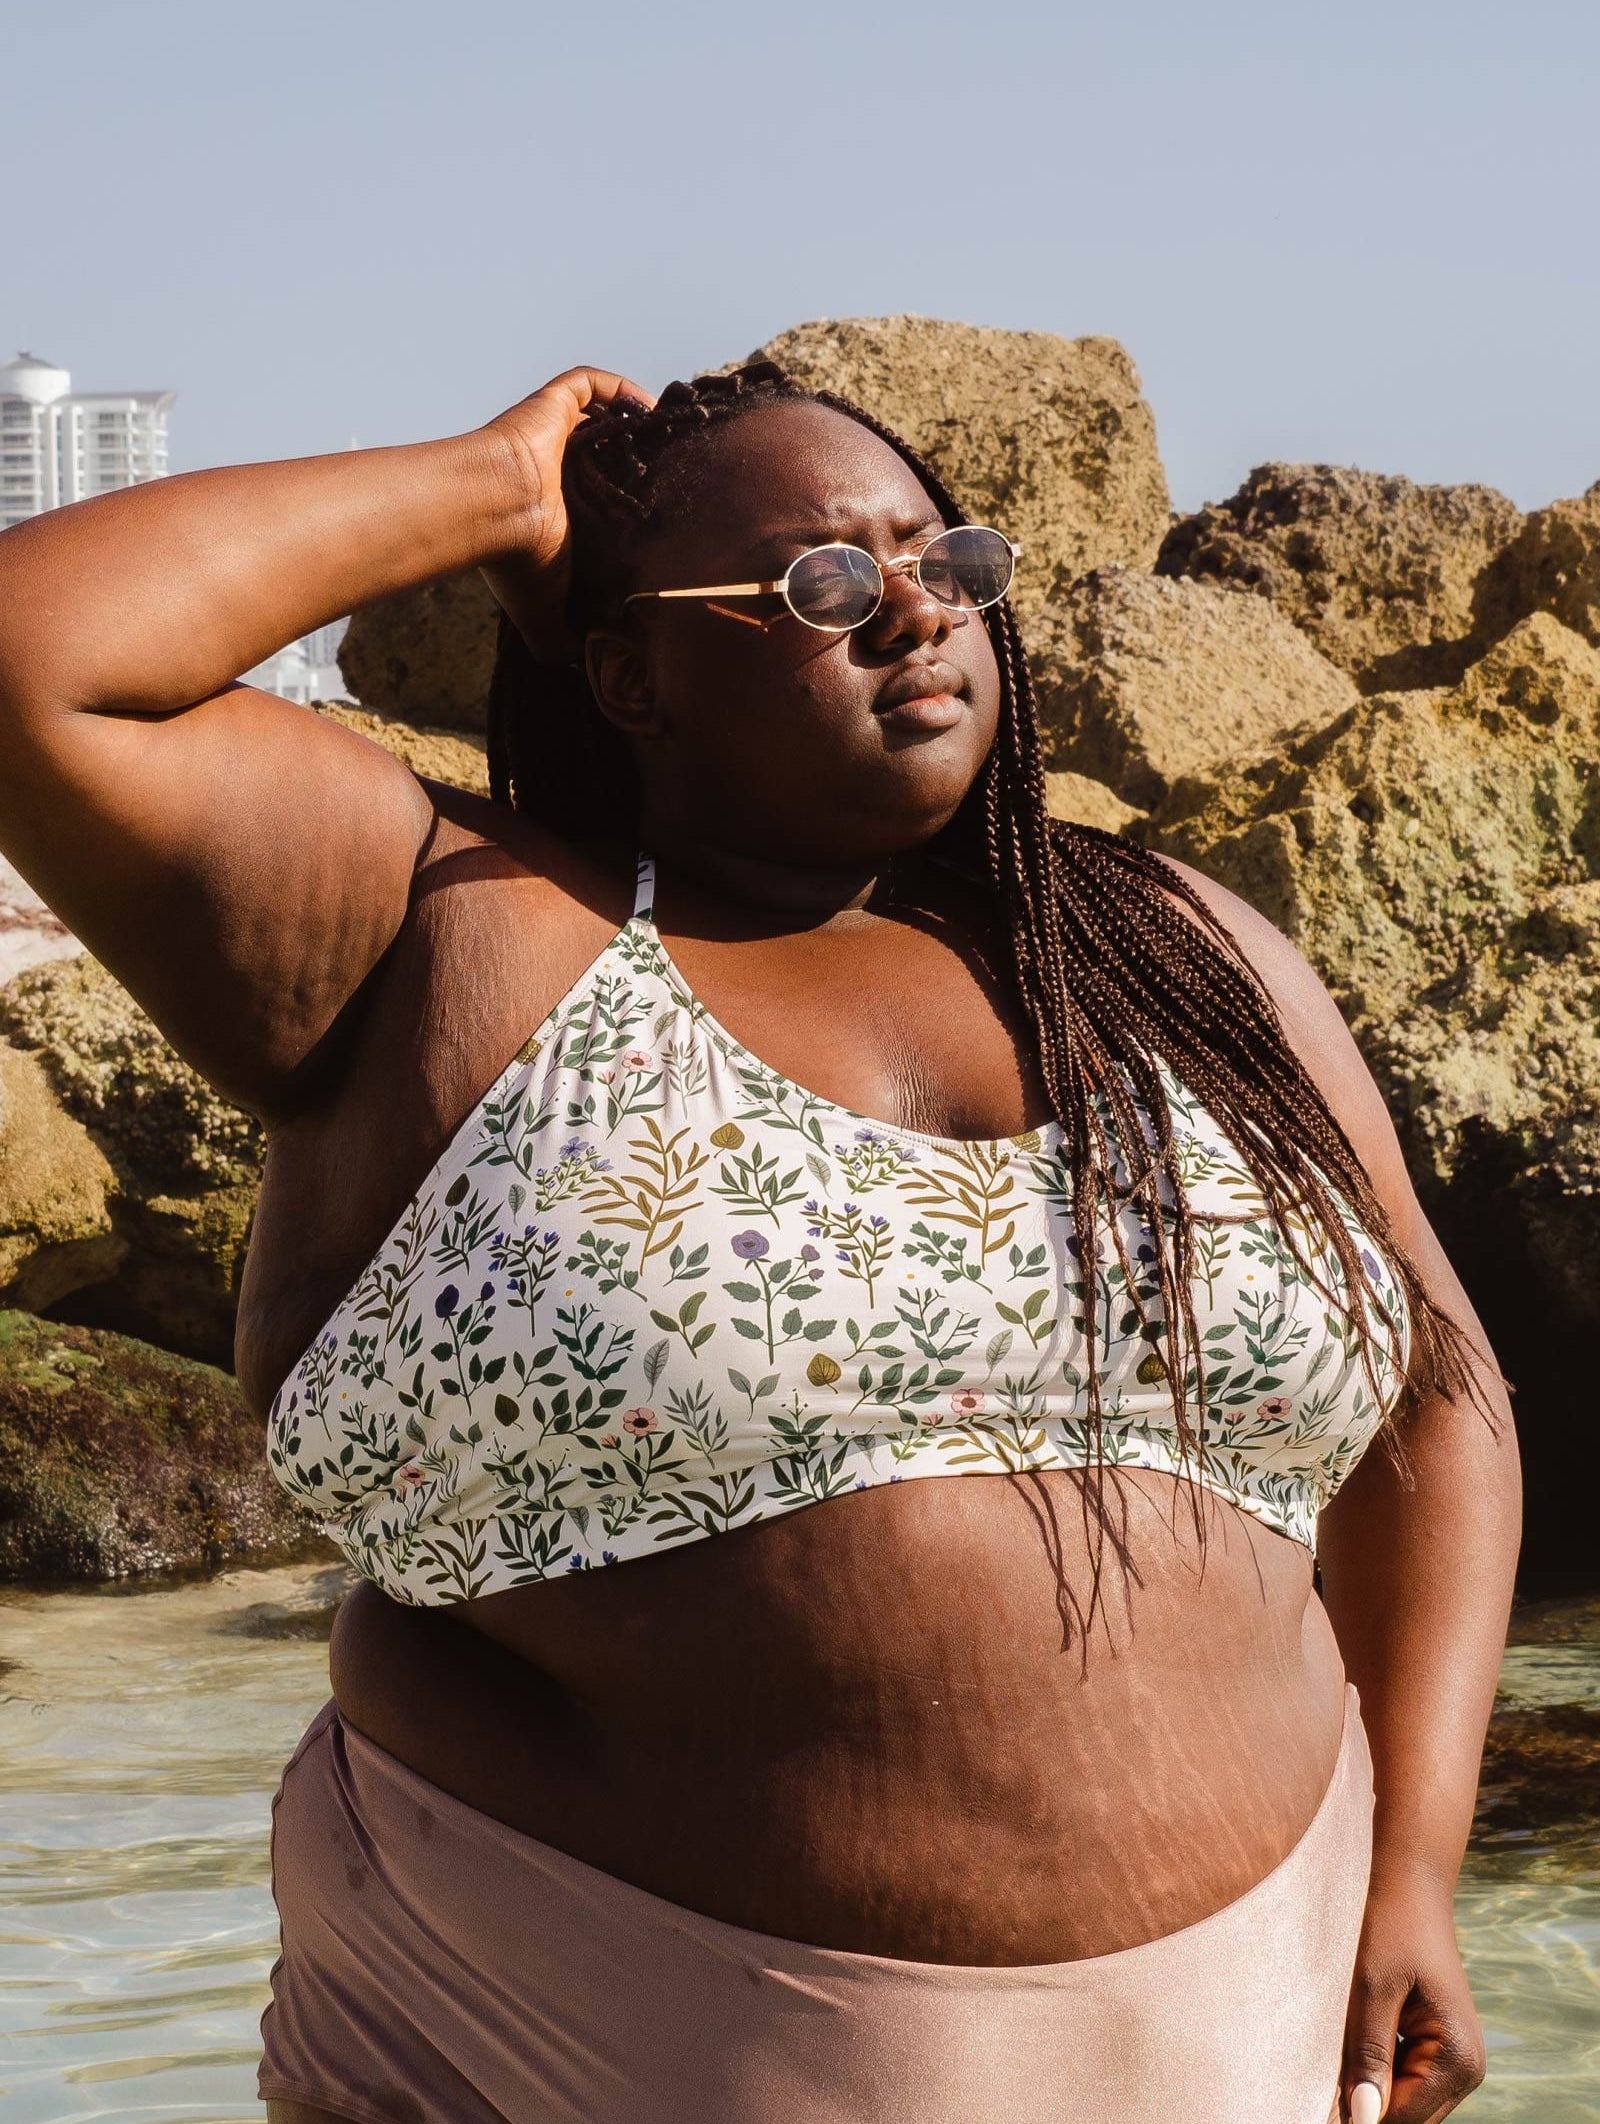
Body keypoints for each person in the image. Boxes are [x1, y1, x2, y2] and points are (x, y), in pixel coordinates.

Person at [0, 360, 1520, 2124]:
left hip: (1261, 2036)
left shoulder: (1174, 949)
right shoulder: (452, 931)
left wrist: (1418, 1864)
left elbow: (1436, 1396)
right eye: (824, 583)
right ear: (631, 671)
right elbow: (42, 657)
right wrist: (499, 489)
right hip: (590, 2052)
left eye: (946, 558)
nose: (917, 612)